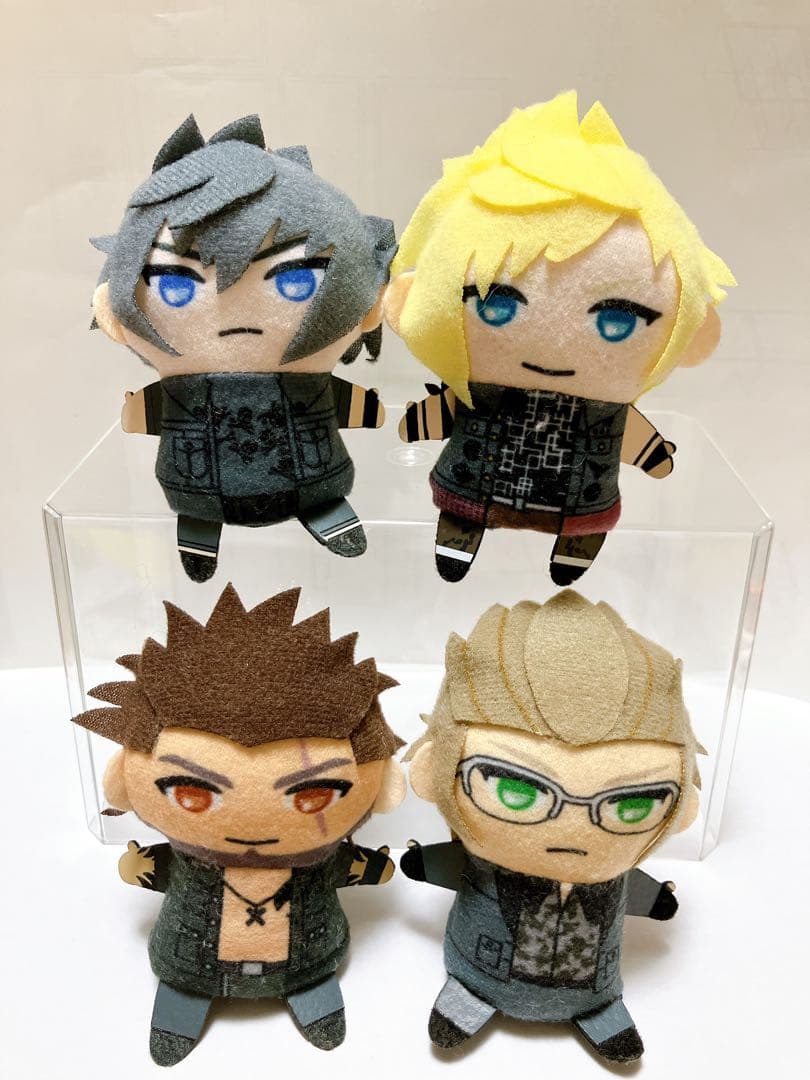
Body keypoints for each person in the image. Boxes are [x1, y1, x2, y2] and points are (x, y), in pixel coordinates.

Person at [385, 91, 734, 583]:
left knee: (568, 515)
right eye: (497, 306)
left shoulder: (583, 404)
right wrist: (415, 421)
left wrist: (654, 454)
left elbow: (631, 435)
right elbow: (445, 410)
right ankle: (465, 538)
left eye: (617, 322)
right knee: (474, 505)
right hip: (488, 486)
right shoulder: (510, 395)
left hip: (563, 498)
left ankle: (569, 543)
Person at [73, 584, 405, 1064]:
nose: (252, 829)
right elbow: (161, 869)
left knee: (311, 978)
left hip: (309, 962)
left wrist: (377, 868)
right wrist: (141, 867)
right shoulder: (187, 857)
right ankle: (183, 1004)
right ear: (122, 779)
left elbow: (346, 866)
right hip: (188, 965)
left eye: (312, 795)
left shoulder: (320, 857)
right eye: (191, 794)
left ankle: (311, 992)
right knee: (185, 985)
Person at [401, 590, 702, 1063]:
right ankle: (470, 992)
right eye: (516, 791)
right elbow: (455, 863)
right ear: (434, 772)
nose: (570, 826)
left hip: (593, 982)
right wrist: (424, 862)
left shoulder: (611, 876)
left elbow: (630, 889)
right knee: (472, 985)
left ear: (681, 808)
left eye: (629, 806)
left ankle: (600, 1008)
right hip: (481, 967)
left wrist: (655, 899)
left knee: (597, 997)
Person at [92, 115, 396, 581]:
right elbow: (142, 414)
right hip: (205, 481)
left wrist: (375, 411)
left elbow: (352, 404)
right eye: (176, 285)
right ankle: (200, 529)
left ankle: (322, 512)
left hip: (302, 474)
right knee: (201, 499)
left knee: (311, 486)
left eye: (295, 280)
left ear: (370, 302)